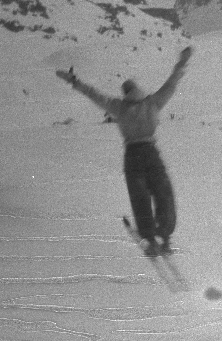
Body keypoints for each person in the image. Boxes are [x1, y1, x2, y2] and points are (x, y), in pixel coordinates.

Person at [56, 46, 193, 256]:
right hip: (151, 152)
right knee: (163, 192)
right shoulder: (153, 102)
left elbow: (94, 95)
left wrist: (74, 81)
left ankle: (149, 237)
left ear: (125, 93)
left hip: (132, 155)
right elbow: (171, 85)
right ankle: (164, 235)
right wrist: (181, 64)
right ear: (138, 89)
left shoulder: (118, 107)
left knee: (140, 197)